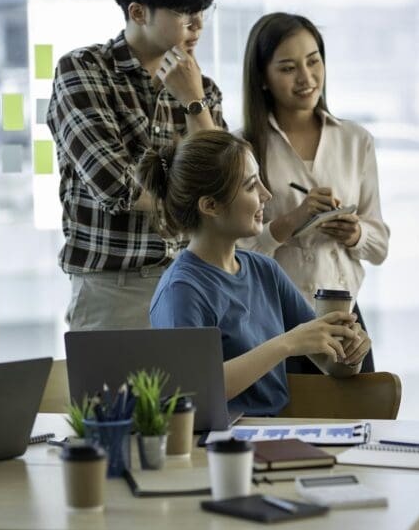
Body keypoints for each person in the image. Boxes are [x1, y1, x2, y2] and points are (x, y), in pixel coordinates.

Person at [47, 0, 225, 331]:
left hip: (192, 281)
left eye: (201, 11)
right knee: (111, 396)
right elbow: (116, 184)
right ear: (138, 11)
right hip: (114, 287)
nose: (197, 24)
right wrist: (199, 203)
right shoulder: (84, 70)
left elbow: (225, 185)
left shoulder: (204, 90)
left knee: (199, 395)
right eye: (183, 11)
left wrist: (194, 103)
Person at [141, 130, 371, 416]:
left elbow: (330, 363)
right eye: (251, 186)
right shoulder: (181, 290)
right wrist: (286, 344)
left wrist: (351, 353)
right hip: (216, 447)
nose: (267, 194)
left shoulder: (265, 270)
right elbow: (194, 392)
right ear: (210, 205)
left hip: (274, 434)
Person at [238, 13, 389, 373]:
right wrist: (291, 221)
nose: (306, 78)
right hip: (273, 325)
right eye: (288, 68)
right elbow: (235, 252)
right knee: (286, 427)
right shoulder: (243, 146)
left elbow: (380, 245)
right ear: (262, 78)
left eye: (313, 61)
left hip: (343, 321)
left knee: (359, 423)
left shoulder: (355, 140)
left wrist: (355, 233)